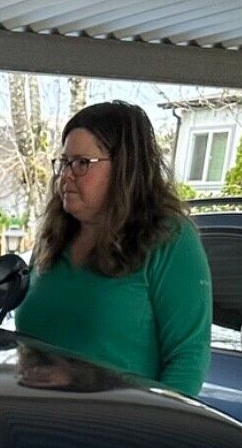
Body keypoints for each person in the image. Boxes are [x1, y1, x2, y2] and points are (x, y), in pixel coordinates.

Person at [13, 101, 212, 396]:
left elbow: (188, 360)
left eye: (81, 163)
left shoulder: (170, 240)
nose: (66, 175)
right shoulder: (54, 239)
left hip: (116, 432)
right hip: (33, 424)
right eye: (64, 162)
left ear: (125, 168)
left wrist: (156, 435)